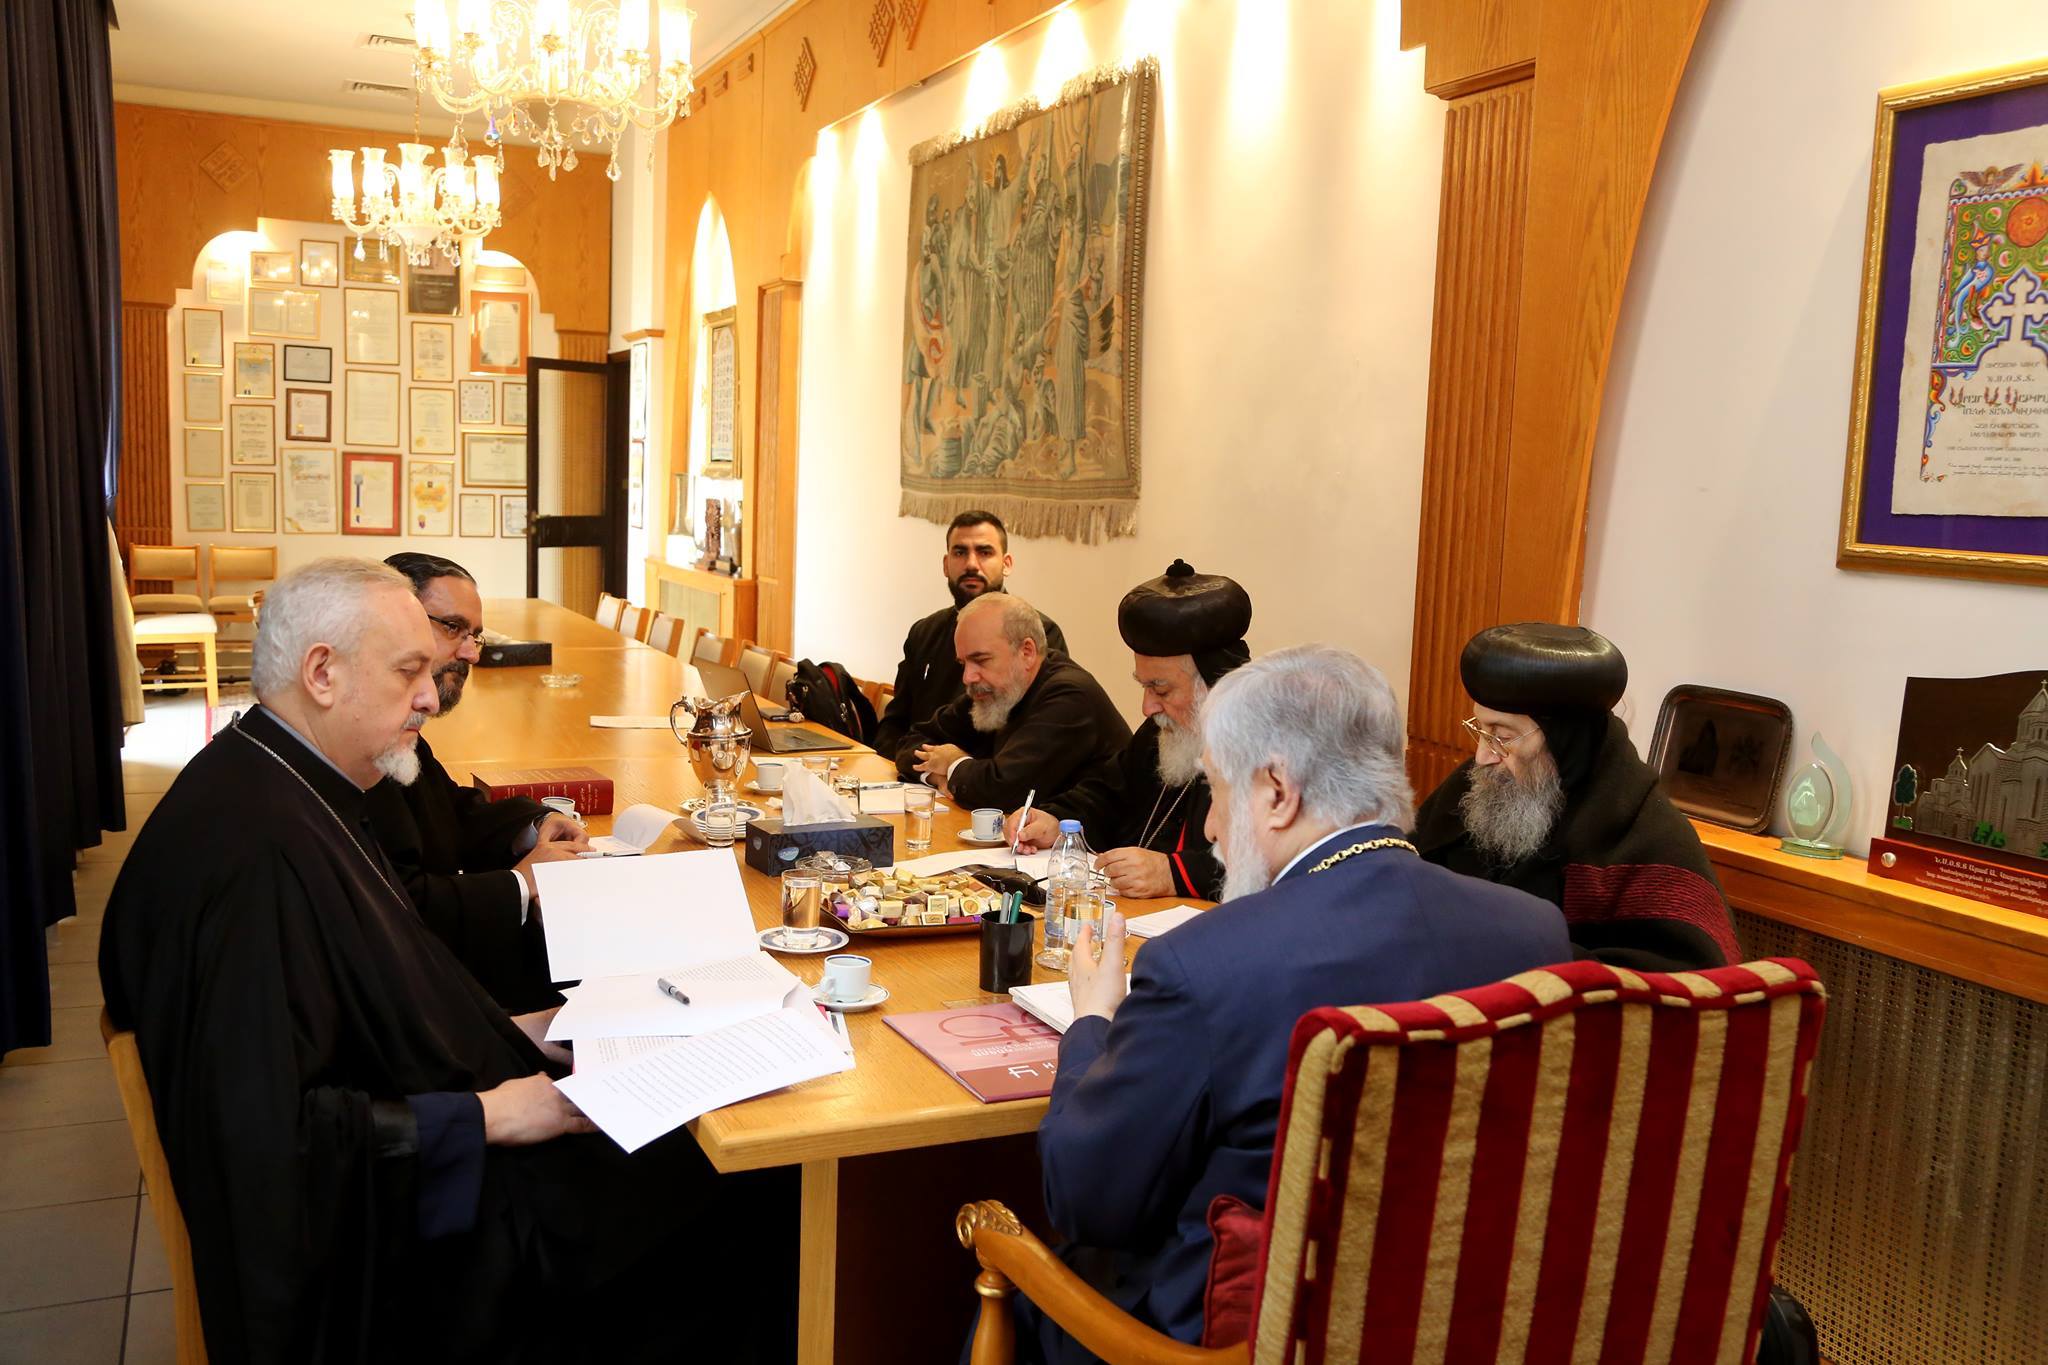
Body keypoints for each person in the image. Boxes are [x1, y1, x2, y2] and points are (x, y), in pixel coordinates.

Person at [98, 559, 790, 1364]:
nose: (430, 696)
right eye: (410, 672)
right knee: (752, 1185)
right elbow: (271, 1142)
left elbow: (369, 998)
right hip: (412, 1250)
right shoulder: (253, 859)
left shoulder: (291, 777)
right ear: (322, 672)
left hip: (443, 1141)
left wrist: (517, 1027)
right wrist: (494, 1112)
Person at [1002, 647, 1568, 1362]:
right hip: (1463, 1324)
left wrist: (1092, 1021)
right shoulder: (1535, 930)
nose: (1210, 826)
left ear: (1276, 789)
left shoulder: (1203, 964)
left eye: (1216, 788)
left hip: (1249, 1335)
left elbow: (1087, 1197)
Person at [1411, 622, 1741, 971]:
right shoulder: (1481, 783)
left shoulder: (1646, 838)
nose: (1482, 757)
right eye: (1481, 728)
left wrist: (1509, 947)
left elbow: (1690, 989)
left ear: (1564, 739)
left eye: (1502, 735)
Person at [366, 552, 586, 1011]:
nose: (471, 653)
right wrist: (519, 884)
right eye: (453, 628)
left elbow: (451, 809)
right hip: (425, 986)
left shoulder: (397, 721)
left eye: (476, 636)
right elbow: (397, 905)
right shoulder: (362, 740)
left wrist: (534, 824)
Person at [1009, 560, 1251, 900]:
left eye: (1161, 689)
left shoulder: (1264, 748)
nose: (1147, 708)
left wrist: (1174, 875)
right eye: (1145, 687)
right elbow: (1107, 793)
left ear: (1213, 684)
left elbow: (1274, 863)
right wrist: (1056, 821)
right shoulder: (1163, 731)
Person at [899, 592, 1127, 811]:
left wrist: (952, 764)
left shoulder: (1069, 696)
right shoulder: (994, 691)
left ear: (1026, 652)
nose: (968, 677)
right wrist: (935, 774)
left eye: (981, 660)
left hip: (1090, 847)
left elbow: (1003, 790)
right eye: (963, 663)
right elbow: (910, 742)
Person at [871, 510, 1069, 758]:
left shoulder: (1038, 634)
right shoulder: (924, 632)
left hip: (987, 781)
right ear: (946, 564)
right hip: (914, 776)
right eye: (960, 552)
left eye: (984, 552)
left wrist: (953, 770)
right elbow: (894, 724)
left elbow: (1036, 736)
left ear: (1006, 564)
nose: (971, 564)